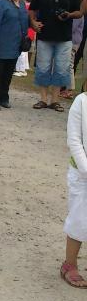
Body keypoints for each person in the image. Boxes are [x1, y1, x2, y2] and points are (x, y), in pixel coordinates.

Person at [29, 0, 82, 112]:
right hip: (44, 35)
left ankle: (55, 100)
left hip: (64, 37)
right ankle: (43, 99)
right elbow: (32, 9)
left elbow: (79, 12)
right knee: (43, 67)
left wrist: (69, 14)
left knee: (61, 69)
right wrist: (33, 22)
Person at [61, 84, 87, 287]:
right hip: (82, 173)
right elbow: (74, 140)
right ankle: (70, 263)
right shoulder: (82, 102)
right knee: (80, 217)